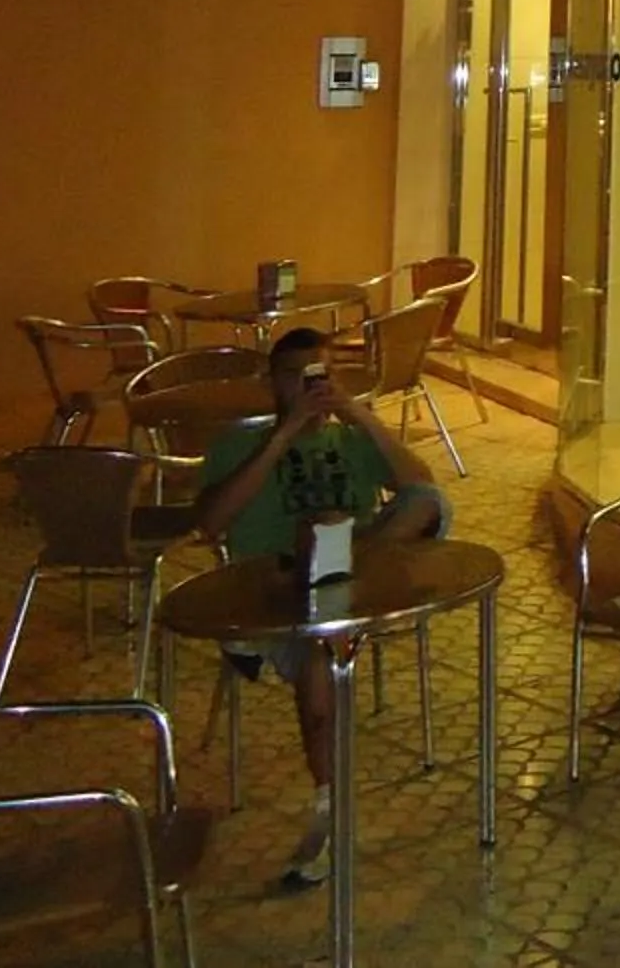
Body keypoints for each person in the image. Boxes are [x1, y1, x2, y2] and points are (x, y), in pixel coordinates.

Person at [194, 326, 450, 890]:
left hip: (350, 580)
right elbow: (210, 523)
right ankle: (329, 809)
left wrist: (357, 414)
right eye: (297, 377)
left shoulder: (353, 442)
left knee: (425, 503)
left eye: (320, 375)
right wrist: (283, 436)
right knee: (319, 661)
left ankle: (337, 568)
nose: (311, 387)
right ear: (274, 383)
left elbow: (421, 485)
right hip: (277, 591)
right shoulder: (241, 444)